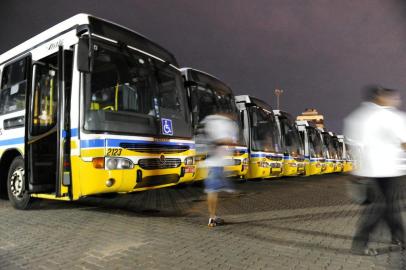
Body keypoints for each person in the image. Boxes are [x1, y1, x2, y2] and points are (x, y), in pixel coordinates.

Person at [344, 85, 406, 256]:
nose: (396, 101)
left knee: (390, 206)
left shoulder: (357, 117)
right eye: (393, 98)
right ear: (381, 97)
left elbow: (353, 144)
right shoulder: (393, 117)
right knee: (380, 207)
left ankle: (399, 237)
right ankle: (360, 243)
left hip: (370, 170)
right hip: (389, 170)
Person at [201, 112, 239, 227]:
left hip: (214, 162)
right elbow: (220, 141)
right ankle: (212, 218)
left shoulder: (209, 121)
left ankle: (212, 216)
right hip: (216, 162)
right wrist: (226, 141)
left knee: (212, 191)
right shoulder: (222, 124)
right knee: (213, 191)